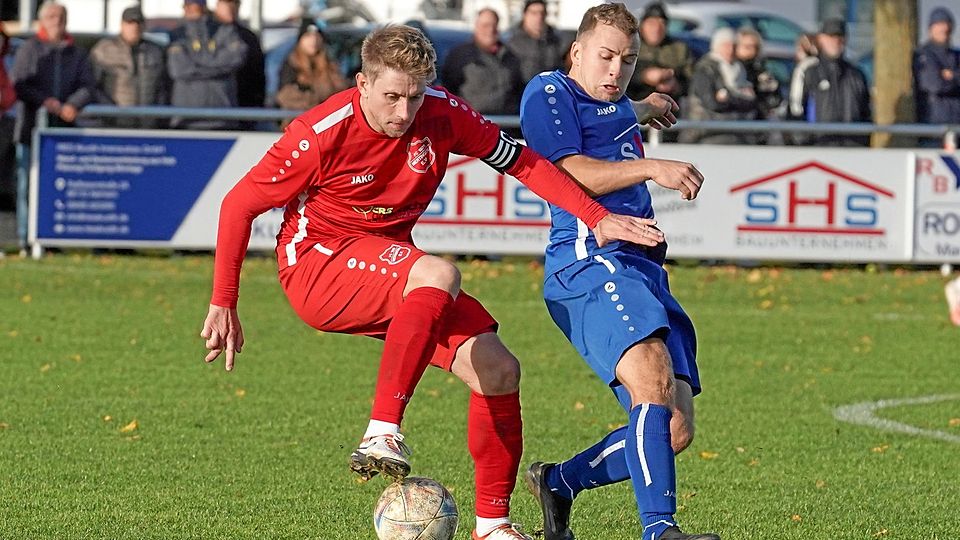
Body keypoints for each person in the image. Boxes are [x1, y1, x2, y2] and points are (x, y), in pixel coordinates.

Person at [199, 24, 661, 540]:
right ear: (362, 83)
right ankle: (382, 432)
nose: (403, 111)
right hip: (317, 266)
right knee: (438, 271)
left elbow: (524, 163)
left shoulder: (441, 112)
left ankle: (492, 527)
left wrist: (594, 216)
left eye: (414, 96)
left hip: (390, 268)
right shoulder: (321, 130)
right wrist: (225, 301)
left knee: (499, 369)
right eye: (392, 96)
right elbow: (238, 204)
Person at [519, 3, 718, 540]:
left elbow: (615, 109)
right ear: (576, 52)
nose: (614, 71)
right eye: (604, 56)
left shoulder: (615, 101)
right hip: (586, 258)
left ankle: (558, 482)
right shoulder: (549, 91)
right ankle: (660, 530)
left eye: (627, 61)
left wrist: (646, 105)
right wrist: (654, 165)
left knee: (672, 427)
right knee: (652, 380)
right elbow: (569, 172)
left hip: (642, 265)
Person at [11, 0, 95, 250]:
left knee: (58, 188)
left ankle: (52, 239)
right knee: (28, 184)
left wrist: (73, 104)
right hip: (31, 129)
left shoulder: (76, 53)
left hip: (64, 133)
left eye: (60, 17)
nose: (56, 21)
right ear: (41, 20)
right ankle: (26, 238)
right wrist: (45, 101)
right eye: (51, 17)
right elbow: (20, 84)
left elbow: (87, 86)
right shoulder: (29, 49)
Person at [167, 0, 248, 130]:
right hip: (186, 119)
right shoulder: (177, 35)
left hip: (223, 116)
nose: (192, 10)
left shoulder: (225, 30)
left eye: (196, 6)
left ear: (204, 7)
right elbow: (179, 69)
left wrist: (196, 65)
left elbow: (235, 59)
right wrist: (218, 67)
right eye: (189, 6)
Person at [90, 6, 168, 128]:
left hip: (149, 125)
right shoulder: (103, 50)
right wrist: (109, 111)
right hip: (115, 124)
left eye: (138, 23)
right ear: (121, 25)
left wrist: (159, 114)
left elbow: (163, 87)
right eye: (130, 23)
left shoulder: (155, 52)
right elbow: (93, 85)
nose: (134, 27)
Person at [798, 18, 871, 146]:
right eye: (831, 36)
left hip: (852, 149)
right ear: (821, 38)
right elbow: (796, 112)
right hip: (819, 147)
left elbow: (866, 114)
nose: (836, 41)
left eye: (840, 36)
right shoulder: (809, 72)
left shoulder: (856, 75)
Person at [680, 27, 757, 144]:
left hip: (737, 134)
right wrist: (738, 99)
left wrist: (728, 98)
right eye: (726, 45)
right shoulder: (705, 69)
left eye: (733, 45)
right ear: (717, 46)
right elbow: (712, 103)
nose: (730, 50)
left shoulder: (741, 70)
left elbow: (751, 102)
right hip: (706, 134)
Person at [440, 8, 525, 115]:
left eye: (494, 25)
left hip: (508, 124)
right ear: (476, 27)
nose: (490, 30)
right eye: (485, 25)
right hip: (472, 123)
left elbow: (519, 89)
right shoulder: (461, 56)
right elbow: (448, 91)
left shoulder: (510, 56)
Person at [626, 2, 693, 104]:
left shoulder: (680, 49)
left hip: (669, 109)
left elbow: (693, 80)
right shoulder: (629, 44)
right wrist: (644, 76)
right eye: (652, 23)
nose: (656, 29)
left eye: (661, 23)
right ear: (642, 25)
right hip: (634, 105)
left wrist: (676, 85)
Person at [275, 20, 347, 114]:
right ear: (300, 39)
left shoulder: (330, 64)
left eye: (317, 36)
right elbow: (285, 96)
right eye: (308, 36)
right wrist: (318, 102)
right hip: (299, 119)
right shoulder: (290, 65)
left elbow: (342, 90)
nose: (314, 41)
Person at [213, 0, 265, 128]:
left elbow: (258, 74)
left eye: (234, 4)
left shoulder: (248, 37)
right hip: (213, 108)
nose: (231, 8)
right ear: (217, 5)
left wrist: (257, 103)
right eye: (226, 3)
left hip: (244, 107)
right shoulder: (207, 34)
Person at [913, 7, 960, 147]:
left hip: (956, 127)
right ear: (930, 28)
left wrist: (951, 76)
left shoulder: (956, 55)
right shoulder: (924, 54)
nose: (943, 28)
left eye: (946, 24)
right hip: (933, 128)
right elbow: (934, 84)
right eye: (939, 24)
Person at [505, 0, 566, 84]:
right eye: (534, 13)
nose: (539, 17)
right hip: (524, 93)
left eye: (542, 13)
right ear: (525, 15)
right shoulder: (512, 43)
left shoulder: (554, 41)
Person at [736, 26, 781, 120]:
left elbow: (774, 97)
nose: (752, 50)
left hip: (757, 119)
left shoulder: (761, 71)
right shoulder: (733, 69)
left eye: (755, 47)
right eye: (747, 47)